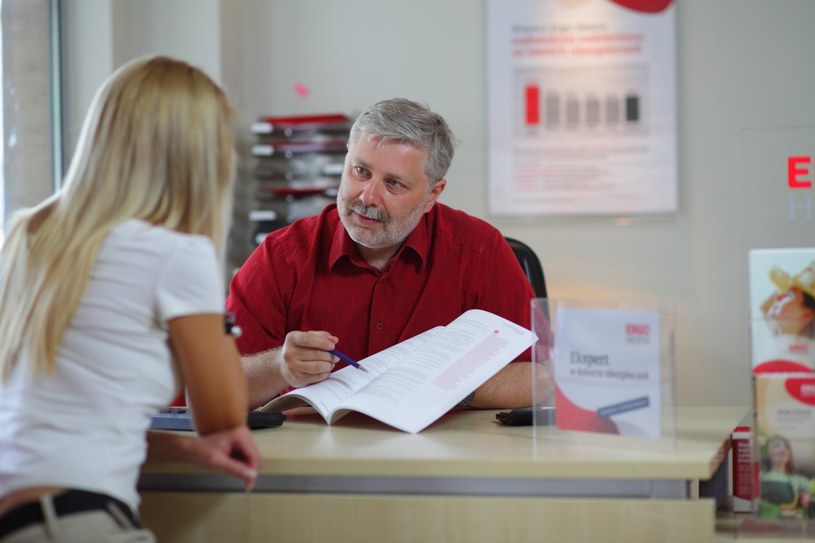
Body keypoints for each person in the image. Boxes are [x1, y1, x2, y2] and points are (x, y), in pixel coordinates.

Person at [0, 56, 261, 542]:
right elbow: (224, 417)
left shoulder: (27, 236)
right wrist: (214, 314)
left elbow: (62, 418)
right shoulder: (175, 251)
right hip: (74, 523)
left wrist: (180, 450)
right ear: (197, 156)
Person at [227, 97, 541, 410]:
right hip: (319, 454)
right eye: (360, 171)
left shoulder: (479, 251)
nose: (368, 196)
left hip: (440, 453)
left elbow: (541, 378)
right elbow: (212, 391)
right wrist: (279, 368)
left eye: (393, 184)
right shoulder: (281, 256)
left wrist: (449, 384)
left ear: (433, 194)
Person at [758, 262, 815, 372]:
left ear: (807, 315)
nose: (778, 298)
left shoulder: (805, 354)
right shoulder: (778, 336)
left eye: (789, 295)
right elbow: (764, 307)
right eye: (783, 292)